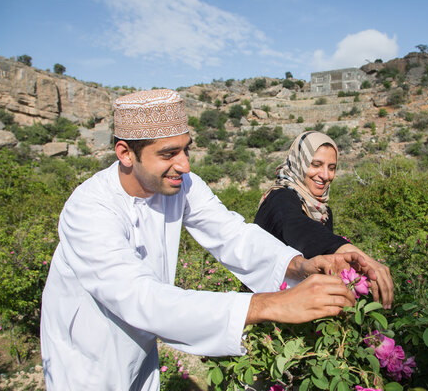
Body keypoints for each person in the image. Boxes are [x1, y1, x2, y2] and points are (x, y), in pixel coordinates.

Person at [40, 90, 377, 390]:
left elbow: (231, 234)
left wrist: (299, 264)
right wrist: (269, 304)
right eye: (169, 153)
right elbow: (140, 297)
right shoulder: (89, 210)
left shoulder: (180, 185)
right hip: (84, 360)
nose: (184, 165)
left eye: (187, 149)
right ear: (126, 153)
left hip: (139, 350)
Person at [254, 131, 394, 308]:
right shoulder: (279, 198)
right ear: (300, 163)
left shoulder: (323, 212)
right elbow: (299, 228)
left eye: (332, 167)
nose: (325, 175)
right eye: (316, 164)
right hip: (265, 312)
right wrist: (358, 256)